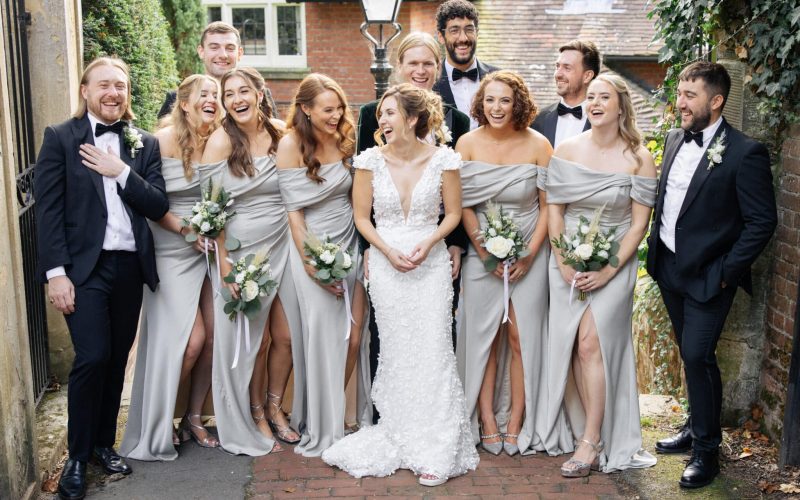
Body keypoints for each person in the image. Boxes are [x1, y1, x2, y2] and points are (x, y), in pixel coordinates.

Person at [322, 84, 479, 487]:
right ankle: (397, 434)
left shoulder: (445, 158)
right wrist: (387, 252)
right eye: (382, 115)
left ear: (412, 118)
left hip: (431, 265)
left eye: (390, 113)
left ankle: (437, 445)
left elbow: (454, 213)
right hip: (388, 265)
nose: (382, 120)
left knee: (434, 349)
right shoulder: (368, 161)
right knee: (395, 351)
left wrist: (429, 243)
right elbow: (362, 218)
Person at [35, 56, 169, 500]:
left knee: (115, 360)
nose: (114, 93)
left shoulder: (142, 143)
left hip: (129, 267)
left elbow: (157, 205)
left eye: (121, 86)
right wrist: (56, 275)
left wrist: (122, 172)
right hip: (83, 269)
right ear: (85, 91)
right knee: (91, 357)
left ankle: (101, 445)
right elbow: (49, 211)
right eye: (105, 85)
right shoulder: (61, 137)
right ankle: (74, 457)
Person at [646, 61, 776, 489]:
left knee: (698, 355)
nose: (679, 102)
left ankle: (707, 451)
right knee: (689, 352)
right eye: (679, 93)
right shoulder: (672, 139)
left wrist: (726, 273)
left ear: (716, 101)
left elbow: (762, 222)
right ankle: (693, 425)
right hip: (668, 268)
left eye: (689, 95)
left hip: (709, 277)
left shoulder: (745, 152)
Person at [541, 74, 657, 476]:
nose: (594, 103)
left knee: (592, 344)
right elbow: (555, 209)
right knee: (575, 345)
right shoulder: (567, 149)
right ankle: (588, 427)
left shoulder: (639, 157)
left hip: (614, 264)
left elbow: (638, 225)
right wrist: (562, 262)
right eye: (590, 97)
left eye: (603, 97)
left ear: (621, 106)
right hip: (567, 261)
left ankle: (590, 443)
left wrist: (608, 272)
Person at [356, 31, 470, 421]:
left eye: (428, 64)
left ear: (436, 68)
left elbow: (455, 204)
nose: (420, 70)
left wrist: (454, 244)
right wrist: (372, 250)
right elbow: (364, 205)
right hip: (384, 247)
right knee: (385, 340)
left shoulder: (457, 123)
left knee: (437, 339)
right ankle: (388, 420)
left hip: (432, 252)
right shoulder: (371, 117)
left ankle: (436, 423)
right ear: (400, 67)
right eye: (413, 63)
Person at [120, 74, 223, 460]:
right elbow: (148, 200)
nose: (212, 100)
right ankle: (160, 419)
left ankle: (193, 418)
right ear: (184, 103)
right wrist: (185, 230)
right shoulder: (158, 141)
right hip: (169, 246)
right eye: (204, 95)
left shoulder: (219, 140)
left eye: (216, 95)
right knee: (189, 341)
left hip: (207, 247)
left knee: (214, 337)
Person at [202, 67, 301, 455]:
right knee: (253, 342)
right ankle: (256, 414)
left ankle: (277, 407)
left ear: (260, 93)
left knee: (288, 336)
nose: (237, 99)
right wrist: (224, 263)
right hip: (242, 250)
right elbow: (212, 209)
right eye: (229, 95)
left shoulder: (282, 133)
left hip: (283, 241)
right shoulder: (220, 141)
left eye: (244, 91)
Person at [455, 70, 552, 456]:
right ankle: (486, 420)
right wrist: (482, 252)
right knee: (484, 338)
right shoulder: (466, 144)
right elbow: (461, 204)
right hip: (482, 255)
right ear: (481, 103)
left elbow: (550, 208)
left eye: (505, 100)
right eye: (491, 100)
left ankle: (516, 421)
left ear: (518, 104)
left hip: (530, 251)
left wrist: (529, 253)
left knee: (520, 337)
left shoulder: (539, 145)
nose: (497, 108)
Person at [276, 73, 371, 457]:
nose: (336, 116)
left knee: (353, 336)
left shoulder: (348, 139)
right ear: (306, 110)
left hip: (350, 241)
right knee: (321, 336)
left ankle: (332, 412)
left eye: (339, 108)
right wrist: (313, 264)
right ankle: (321, 422)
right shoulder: (290, 145)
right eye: (328, 110)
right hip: (310, 246)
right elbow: (294, 217)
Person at [157, 21, 275, 119]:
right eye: (214, 47)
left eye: (230, 48)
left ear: (239, 53)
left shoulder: (259, 95)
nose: (223, 55)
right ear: (201, 51)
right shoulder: (176, 98)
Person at [432, 0, 499, 129]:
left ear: (477, 33)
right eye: (454, 30)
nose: (463, 38)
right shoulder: (430, 83)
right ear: (441, 36)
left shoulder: (499, 77)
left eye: (469, 29)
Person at [531, 40, 600, 148]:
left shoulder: (605, 121)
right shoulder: (538, 119)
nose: (558, 74)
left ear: (587, 76)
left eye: (567, 68)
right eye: (557, 66)